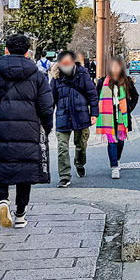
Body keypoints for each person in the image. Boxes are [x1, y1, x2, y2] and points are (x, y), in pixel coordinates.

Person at [0, 35, 53, 229]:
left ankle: (3, 200)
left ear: (7, 50)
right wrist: (46, 127)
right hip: (28, 129)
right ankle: (20, 214)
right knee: (24, 170)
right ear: (28, 52)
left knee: (0, 165)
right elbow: (46, 106)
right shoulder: (37, 75)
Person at [50, 50, 99, 188]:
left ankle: (80, 163)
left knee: (81, 144)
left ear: (73, 62)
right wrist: (46, 118)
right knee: (62, 148)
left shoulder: (83, 74)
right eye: (62, 63)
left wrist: (94, 114)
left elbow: (92, 95)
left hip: (81, 115)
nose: (65, 66)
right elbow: (50, 100)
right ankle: (64, 176)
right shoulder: (55, 78)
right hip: (62, 116)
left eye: (68, 63)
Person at [96, 59, 139, 179]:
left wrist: (128, 108)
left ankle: (117, 158)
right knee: (112, 141)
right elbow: (96, 97)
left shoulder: (127, 81)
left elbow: (135, 96)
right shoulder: (102, 82)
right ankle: (114, 166)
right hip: (107, 116)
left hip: (122, 116)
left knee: (120, 141)